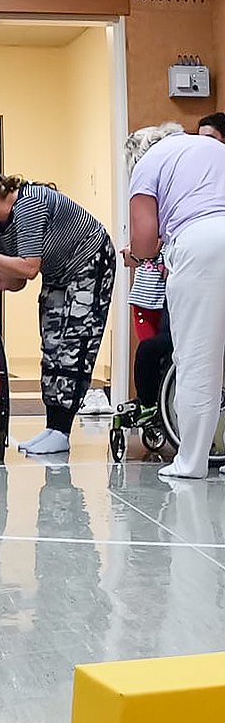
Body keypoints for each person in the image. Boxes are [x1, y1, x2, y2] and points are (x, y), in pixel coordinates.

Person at [0, 162, 115, 456]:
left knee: (74, 345)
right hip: (58, 274)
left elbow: (28, 268)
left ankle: (62, 430)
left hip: (89, 262)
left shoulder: (30, 204)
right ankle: (53, 428)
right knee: (51, 345)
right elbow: (17, 282)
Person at [127, 122, 225, 478]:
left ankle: (191, 461)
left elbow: (144, 239)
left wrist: (136, 256)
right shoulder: (215, 148)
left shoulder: (148, 163)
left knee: (197, 359)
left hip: (200, 243)